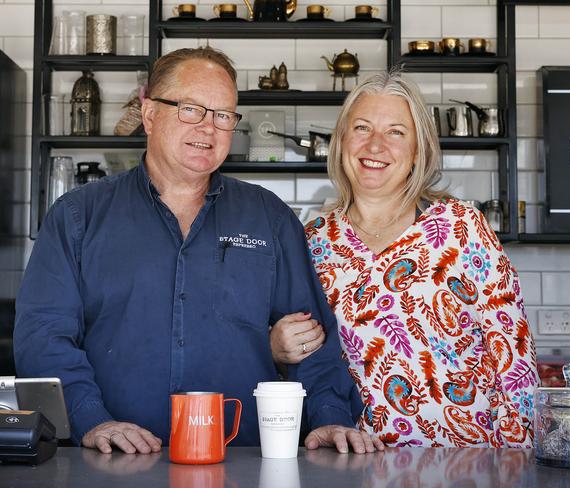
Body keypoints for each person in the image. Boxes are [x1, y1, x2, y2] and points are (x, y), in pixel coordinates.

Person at [13, 47, 383, 455]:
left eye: (223, 115)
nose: (209, 128)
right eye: (191, 109)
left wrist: (331, 416)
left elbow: (310, 337)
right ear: (150, 114)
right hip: (112, 461)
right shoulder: (77, 217)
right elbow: (43, 336)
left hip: (244, 460)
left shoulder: (269, 217)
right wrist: (92, 419)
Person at [271, 71, 538, 448]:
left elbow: (513, 355)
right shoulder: (313, 242)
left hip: (466, 465)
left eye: (396, 132)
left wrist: (518, 461)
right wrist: (276, 348)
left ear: (417, 150)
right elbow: (304, 361)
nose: (375, 145)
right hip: (353, 464)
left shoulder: (460, 226)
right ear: (342, 141)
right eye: (362, 128)